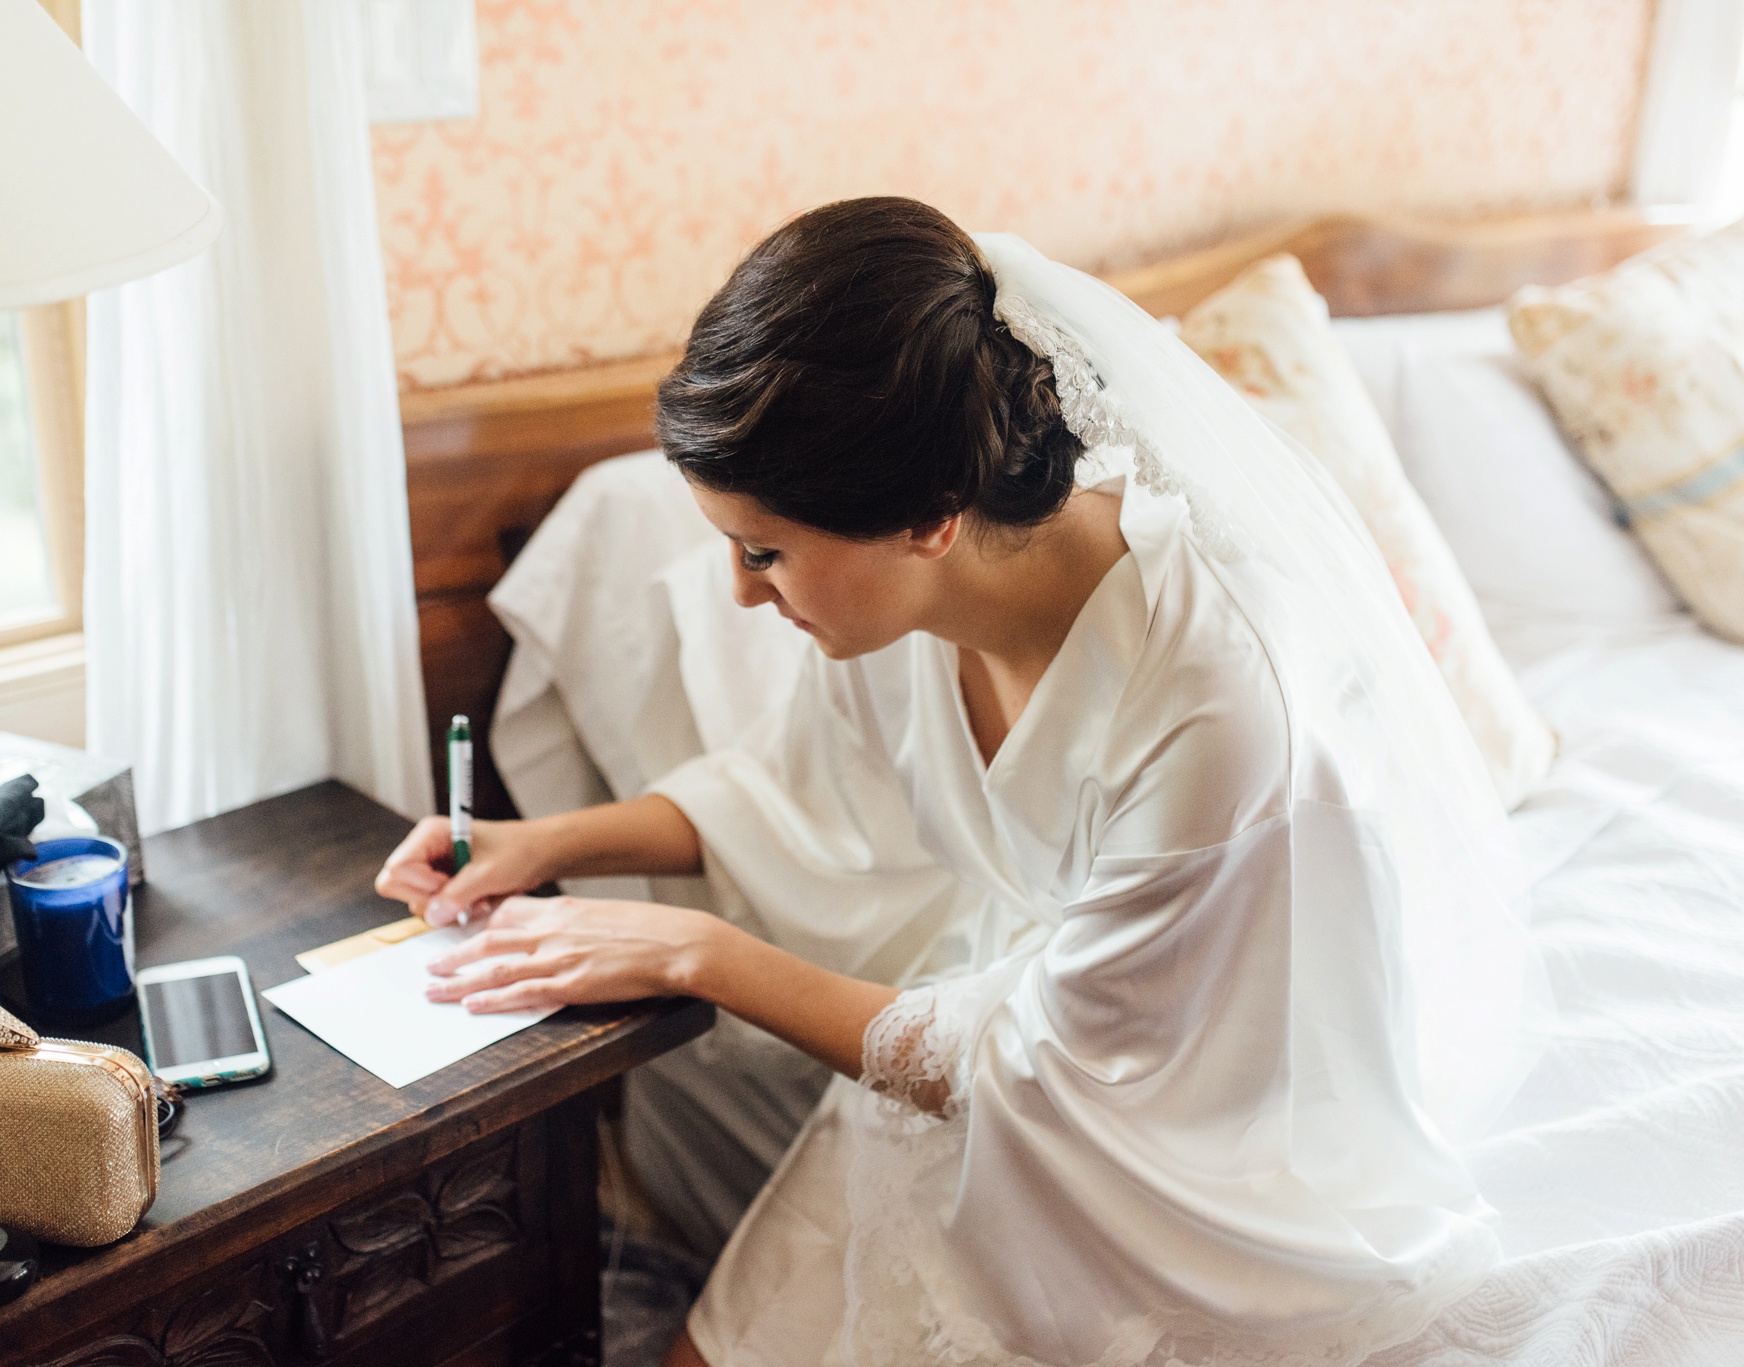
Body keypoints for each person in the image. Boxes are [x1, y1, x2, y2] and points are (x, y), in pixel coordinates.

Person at [376, 198, 1541, 1367]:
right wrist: (542, 842)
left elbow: (1061, 1071)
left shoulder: (1217, 709)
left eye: (764, 551)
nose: (739, 592)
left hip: (1185, 1151)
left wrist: (700, 953)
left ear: (928, 517)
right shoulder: (912, 610)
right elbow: (799, 799)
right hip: (999, 1064)